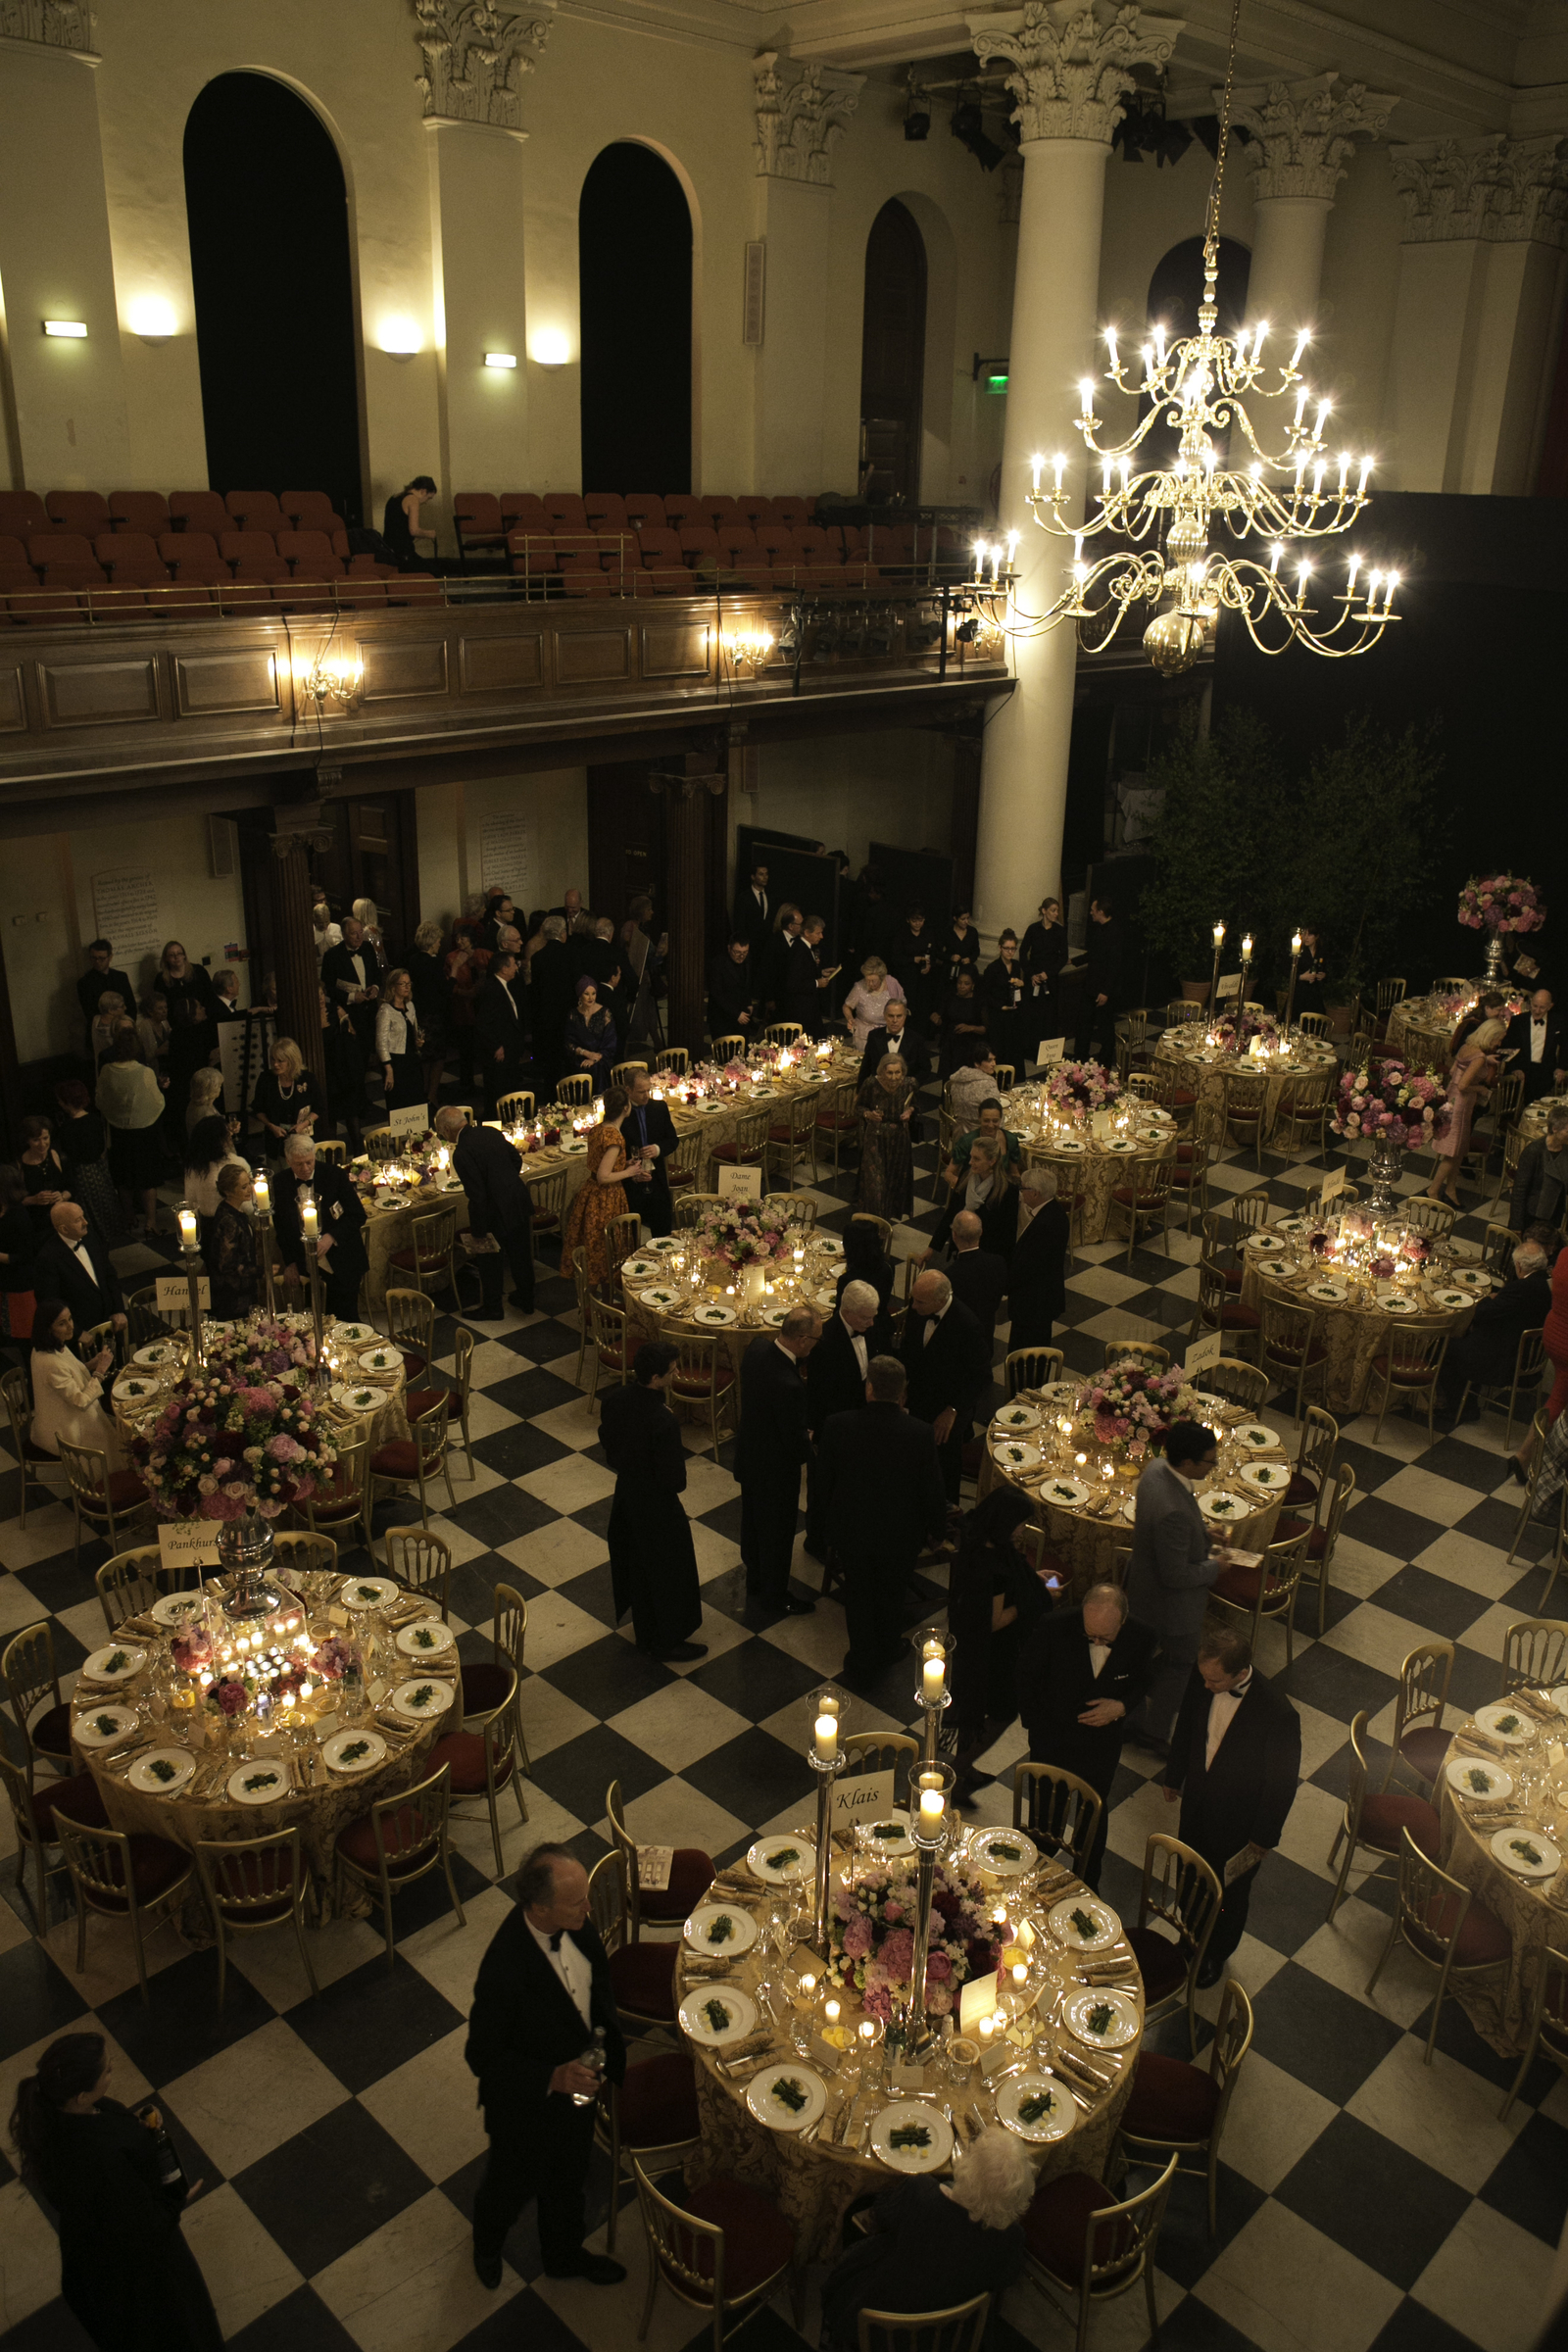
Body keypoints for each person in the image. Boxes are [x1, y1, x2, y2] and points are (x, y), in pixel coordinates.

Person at [466, 1844, 628, 2291]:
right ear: (539, 1907)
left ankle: (562, 2256)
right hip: (525, 2107)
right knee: (509, 2186)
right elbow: (481, 2056)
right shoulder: (504, 1969)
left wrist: (600, 2051)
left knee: (568, 2179)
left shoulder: (575, 1921)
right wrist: (552, 2077)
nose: (589, 1909)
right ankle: (486, 2244)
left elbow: (595, 1988)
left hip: (578, 2089)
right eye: (577, 1903)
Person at [8, 2030, 221, 2352]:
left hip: (95, 2251)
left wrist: (134, 2130)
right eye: (107, 2069)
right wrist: (176, 2203)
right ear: (81, 2095)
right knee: (176, 2329)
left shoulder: (59, 2118)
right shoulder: (99, 2161)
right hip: (137, 2268)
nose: (113, 2070)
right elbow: (142, 2226)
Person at [1162, 1621, 1301, 1983]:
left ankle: (1215, 1953)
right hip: (1198, 1803)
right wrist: (1174, 1775)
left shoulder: (1278, 1713)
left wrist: (1263, 1836)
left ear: (1241, 1672)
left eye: (1215, 1682)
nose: (1206, 1686)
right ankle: (1189, 1937)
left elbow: (1282, 1783)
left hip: (1239, 1822)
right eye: (1204, 1678)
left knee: (1229, 1893)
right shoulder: (1204, 1676)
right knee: (1191, 1874)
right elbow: (1188, 1728)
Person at [819, 2127, 1031, 2348]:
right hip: (954, 2335)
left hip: (881, 2324)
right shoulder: (1012, 2239)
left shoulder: (921, 2194)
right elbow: (1005, 2277)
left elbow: (882, 2211)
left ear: (968, 2165)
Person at [815, 1353, 947, 1685]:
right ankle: (888, 1647)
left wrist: (821, 1528)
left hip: (851, 1530)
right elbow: (931, 1488)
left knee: (858, 1595)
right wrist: (937, 1531)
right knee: (891, 1593)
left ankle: (860, 1656)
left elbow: (822, 1484)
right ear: (903, 1394)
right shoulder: (919, 1433)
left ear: (869, 1388)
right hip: (900, 1534)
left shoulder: (837, 1425)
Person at [1018, 1581, 1156, 1886]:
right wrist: (1038, 1728)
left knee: (1093, 1813)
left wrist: (1121, 1706)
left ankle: (1086, 1880)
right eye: (1090, 1634)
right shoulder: (1053, 1626)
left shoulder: (1142, 1636)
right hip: (1052, 1741)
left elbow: (1146, 1678)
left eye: (1104, 1637)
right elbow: (1026, 1678)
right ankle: (1034, 1872)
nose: (1096, 1640)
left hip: (1101, 1746)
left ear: (1123, 1620)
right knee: (1045, 1813)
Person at [1124, 1419, 1228, 1749]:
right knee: (1180, 1664)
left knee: (1137, 1659)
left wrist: (1201, 1533)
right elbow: (1176, 1575)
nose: (1214, 1467)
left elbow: (1172, 1526)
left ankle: (1131, 1717)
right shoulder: (1173, 1512)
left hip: (1140, 1586)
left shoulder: (1156, 1469)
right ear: (1188, 1462)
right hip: (1170, 1606)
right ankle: (1152, 1732)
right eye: (1210, 1461)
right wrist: (1215, 1566)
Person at [600, 1341, 706, 1659]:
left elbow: (608, 1443)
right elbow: (676, 1481)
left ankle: (645, 1630)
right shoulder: (663, 1421)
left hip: (628, 1496)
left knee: (638, 1564)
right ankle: (667, 1639)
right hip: (658, 1506)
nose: (676, 1375)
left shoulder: (615, 1400)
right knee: (669, 1571)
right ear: (657, 1378)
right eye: (673, 1371)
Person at [948, 1486, 1051, 1800]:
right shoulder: (993, 1569)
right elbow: (993, 1621)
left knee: (985, 1711)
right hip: (994, 1655)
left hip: (977, 1648)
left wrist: (1034, 1582)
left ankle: (962, 1767)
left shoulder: (979, 1542)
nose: (1023, 1530)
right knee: (1003, 1712)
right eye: (1020, 1523)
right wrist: (1030, 1600)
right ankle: (958, 1769)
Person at [737, 1304, 821, 1616]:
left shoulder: (757, 1348)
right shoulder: (788, 1385)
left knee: (753, 1523)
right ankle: (775, 1596)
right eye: (815, 1339)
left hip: (749, 1458)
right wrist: (809, 1442)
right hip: (775, 1471)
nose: (816, 1345)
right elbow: (793, 1439)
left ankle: (755, 1578)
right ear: (801, 1339)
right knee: (777, 1533)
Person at [805, 1278, 893, 1557]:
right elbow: (820, 1398)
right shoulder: (823, 1342)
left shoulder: (872, 1326)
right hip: (836, 1427)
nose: (872, 1322)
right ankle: (817, 1541)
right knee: (824, 1490)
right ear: (849, 1312)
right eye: (866, 1317)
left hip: (867, 1421)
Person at [1440, 1234, 1553, 1422]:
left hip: (1507, 1359)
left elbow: (1483, 1313)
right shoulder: (1545, 1285)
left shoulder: (1521, 1289)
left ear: (1518, 1266)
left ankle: (1463, 1408)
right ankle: (1467, 1393)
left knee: (1444, 1346)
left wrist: (1485, 1299)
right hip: (1531, 1355)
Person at [437, 1104, 535, 1316]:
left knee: (489, 1260)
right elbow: (516, 1159)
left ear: (446, 1129)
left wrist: (478, 1229)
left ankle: (492, 1307)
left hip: (492, 1211)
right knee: (521, 1255)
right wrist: (506, 1182)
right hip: (517, 1199)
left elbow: (477, 1194)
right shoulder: (490, 1131)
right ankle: (526, 1300)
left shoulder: (462, 1152)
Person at [901, 1268, 990, 1502]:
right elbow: (910, 1351)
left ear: (940, 1300)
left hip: (950, 1408)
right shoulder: (918, 1310)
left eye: (920, 1301)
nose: (913, 1306)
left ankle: (945, 1518)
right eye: (913, 1298)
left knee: (944, 1469)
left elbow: (981, 1377)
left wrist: (952, 1410)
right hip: (919, 1398)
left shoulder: (968, 1325)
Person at [560, 1085, 649, 1284]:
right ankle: (603, 1294)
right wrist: (630, 1171)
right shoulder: (614, 1137)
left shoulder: (598, 1130)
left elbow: (603, 1163)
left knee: (592, 1245)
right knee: (605, 1247)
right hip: (606, 1198)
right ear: (626, 1108)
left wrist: (623, 1164)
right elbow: (603, 1176)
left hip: (591, 1193)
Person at [273, 1133, 368, 1319]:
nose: (305, 1168)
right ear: (288, 1160)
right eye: (299, 1164)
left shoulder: (334, 1175)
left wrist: (330, 1237)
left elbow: (357, 1216)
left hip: (343, 1262)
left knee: (346, 1319)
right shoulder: (279, 1183)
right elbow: (282, 1229)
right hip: (307, 1267)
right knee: (316, 1319)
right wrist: (290, 1261)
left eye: (309, 1162)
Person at [29, 1298, 123, 1464]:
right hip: (62, 1430)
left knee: (114, 1428)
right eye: (62, 1323)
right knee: (113, 1441)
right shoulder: (51, 1362)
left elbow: (68, 1376)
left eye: (70, 1319)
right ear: (48, 1329)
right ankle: (105, 1484)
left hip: (60, 1412)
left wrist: (91, 1364)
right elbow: (80, 1402)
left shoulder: (49, 1347)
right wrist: (100, 1371)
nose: (71, 1326)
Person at [1426, 1014, 1506, 1205]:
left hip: (1450, 1099)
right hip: (1461, 1105)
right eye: (1499, 1039)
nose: (1499, 1043)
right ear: (1491, 1036)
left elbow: (1454, 1072)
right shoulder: (1479, 1057)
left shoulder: (1466, 1048)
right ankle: (1434, 1189)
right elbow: (1463, 1086)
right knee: (1453, 1150)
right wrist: (1481, 1088)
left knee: (1459, 1149)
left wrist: (1485, 1061)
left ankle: (1451, 1189)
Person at [96, 1027, 167, 1236]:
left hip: (119, 1132)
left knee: (123, 1176)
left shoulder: (107, 1071)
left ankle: (129, 1217)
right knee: (147, 1178)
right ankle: (151, 1221)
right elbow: (157, 1102)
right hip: (144, 1132)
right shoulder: (145, 1072)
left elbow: (100, 1100)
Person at [1515, 1231, 1568, 1480]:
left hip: (1555, 1334)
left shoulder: (1565, 1255)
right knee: (1558, 1400)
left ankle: (1524, 1456)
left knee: (1557, 1397)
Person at [37, 1202, 125, 1341]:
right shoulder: (48, 1258)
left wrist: (118, 1310)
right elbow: (51, 1304)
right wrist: (76, 1333)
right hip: (83, 1333)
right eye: (78, 1220)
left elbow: (110, 1275)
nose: (85, 1222)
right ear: (64, 1229)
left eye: (83, 1216)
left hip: (111, 1323)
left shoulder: (91, 1237)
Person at [52, 1079, 122, 1244]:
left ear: (66, 1102)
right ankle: (109, 1232)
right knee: (103, 1201)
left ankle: (93, 1237)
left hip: (81, 1171)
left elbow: (69, 1153)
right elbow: (100, 1147)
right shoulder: (95, 1119)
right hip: (99, 1168)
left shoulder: (68, 1128)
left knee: (87, 1204)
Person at [156, 941, 218, 1122]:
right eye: (171, 954)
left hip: (202, 1027)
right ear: (166, 959)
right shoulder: (162, 979)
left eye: (179, 953)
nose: (176, 957)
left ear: (184, 955)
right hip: (180, 1029)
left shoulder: (198, 972)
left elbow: (209, 999)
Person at [1006, 1171, 1069, 1348]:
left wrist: (1004, 1284)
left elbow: (1028, 1266)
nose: (1021, 1192)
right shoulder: (1055, 1211)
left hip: (1034, 1303)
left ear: (1035, 1193)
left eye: (1023, 1189)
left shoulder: (1046, 1224)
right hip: (1040, 1299)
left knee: (1027, 1351)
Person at [854, 1053, 916, 1219]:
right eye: (890, 1073)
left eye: (898, 1073)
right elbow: (858, 1107)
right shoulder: (871, 1084)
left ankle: (888, 1217)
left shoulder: (909, 1084)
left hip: (899, 1140)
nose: (894, 1077)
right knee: (876, 1184)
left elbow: (915, 1105)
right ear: (882, 1072)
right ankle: (875, 1220)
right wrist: (869, 1115)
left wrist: (909, 1111)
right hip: (876, 1138)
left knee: (894, 1181)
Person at [622, 1068, 680, 1236]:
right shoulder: (621, 1114)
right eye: (641, 1092)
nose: (646, 1095)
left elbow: (673, 1140)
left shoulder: (659, 1108)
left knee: (663, 1230)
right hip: (631, 1184)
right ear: (628, 1090)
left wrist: (657, 1149)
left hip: (657, 1179)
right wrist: (631, 1171)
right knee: (632, 1235)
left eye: (648, 1090)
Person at [938, 1207, 1008, 1343]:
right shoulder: (998, 1263)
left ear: (954, 1236)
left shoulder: (950, 1275)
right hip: (986, 1334)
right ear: (981, 1232)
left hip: (960, 1340)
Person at [321, 915, 385, 1060]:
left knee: (369, 1054)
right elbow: (328, 988)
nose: (358, 936)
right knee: (352, 1058)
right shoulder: (332, 956)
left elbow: (376, 974)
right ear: (343, 935)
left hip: (369, 1012)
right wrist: (351, 997)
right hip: (348, 1014)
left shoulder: (368, 948)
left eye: (360, 932)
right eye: (353, 933)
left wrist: (375, 987)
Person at [251, 1036, 322, 1154]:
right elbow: (258, 1109)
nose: (275, 1064)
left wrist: (303, 1125)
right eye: (273, 1059)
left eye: (280, 1061)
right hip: (275, 1139)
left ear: (292, 1060)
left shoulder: (307, 1078)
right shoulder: (266, 1079)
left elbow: (319, 1107)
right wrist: (271, 1126)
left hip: (304, 1136)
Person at [206, 1162, 259, 1320]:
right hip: (232, 1295)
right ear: (228, 1191)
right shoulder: (228, 1220)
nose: (249, 1188)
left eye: (248, 1183)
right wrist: (260, 1271)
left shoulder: (236, 1210)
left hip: (243, 1288)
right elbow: (227, 1265)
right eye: (243, 1187)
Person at [1075, 897, 1121, 1067]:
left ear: (1101, 912)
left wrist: (1106, 992)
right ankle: (1080, 1056)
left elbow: (1114, 966)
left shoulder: (1114, 933)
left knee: (1105, 1026)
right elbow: (1092, 954)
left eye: (1093, 910)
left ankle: (1106, 1060)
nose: (1091, 912)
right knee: (1084, 1023)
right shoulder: (1099, 930)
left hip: (1102, 990)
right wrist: (1073, 961)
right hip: (1091, 986)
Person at [182, 1114, 248, 1230]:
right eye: (227, 1133)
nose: (231, 1134)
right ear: (220, 1140)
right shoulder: (235, 1163)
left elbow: (190, 1203)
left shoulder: (194, 1167)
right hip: (234, 1224)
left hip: (206, 1226)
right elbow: (248, 1202)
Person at [1510, 1106, 1568, 1237]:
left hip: (1554, 1214)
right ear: (1555, 1129)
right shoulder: (1534, 1152)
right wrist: (1516, 1225)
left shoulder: (1566, 1150)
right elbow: (1519, 1191)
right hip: (1531, 1215)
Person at [375, 967, 425, 1114]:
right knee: (400, 1105)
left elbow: (413, 1030)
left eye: (408, 983)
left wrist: (418, 1042)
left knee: (416, 1102)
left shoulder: (410, 1005)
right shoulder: (386, 1010)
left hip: (412, 1060)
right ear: (393, 986)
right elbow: (381, 1043)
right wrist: (389, 1070)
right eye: (402, 984)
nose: (406, 987)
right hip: (396, 1063)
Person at [0, 1163, 38, 1355]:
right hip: (4, 1281)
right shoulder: (3, 1209)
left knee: (24, 1333)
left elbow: (26, 1256)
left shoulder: (19, 1216)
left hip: (19, 1283)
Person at [1505, 986, 1565, 1108]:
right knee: (1513, 1108)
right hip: (1520, 1070)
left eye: (1542, 1007)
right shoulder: (1518, 1021)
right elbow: (1508, 1047)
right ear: (1531, 1002)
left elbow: (1566, 1046)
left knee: (1537, 1109)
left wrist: (1561, 1067)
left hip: (1544, 1072)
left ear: (1550, 1006)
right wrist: (1514, 1068)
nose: (1537, 1011)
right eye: (1535, 1006)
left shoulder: (1558, 1022)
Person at [857, 993, 930, 1089]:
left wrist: (911, 1086)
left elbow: (926, 1068)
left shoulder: (916, 1039)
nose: (895, 1020)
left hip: (906, 1093)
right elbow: (865, 1068)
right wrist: (859, 1092)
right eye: (891, 1016)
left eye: (899, 1016)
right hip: (878, 1092)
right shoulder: (874, 1036)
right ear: (884, 1016)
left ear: (905, 1017)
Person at [983, 928, 1031, 1071]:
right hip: (999, 1015)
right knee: (1000, 1048)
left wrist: (1022, 984)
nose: (1010, 952)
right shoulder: (992, 968)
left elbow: (1023, 988)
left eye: (1013, 949)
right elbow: (984, 994)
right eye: (1007, 949)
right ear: (1000, 948)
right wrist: (1000, 1006)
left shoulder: (1016, 966)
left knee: (1014, 1047)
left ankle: (1014, 1078)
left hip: (1014, 1014)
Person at [75, 941, 136, 1053]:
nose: (97, 962)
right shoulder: (84, 983)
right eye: (94, 958)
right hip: (101, 1033)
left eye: (101, 958)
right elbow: (90, 1012)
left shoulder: (121, 977)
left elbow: (131, 1005)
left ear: (110, 957)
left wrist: (127, 1027)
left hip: (124, 1031)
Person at [1021, 896, 1069, 1030]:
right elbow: (1023, 952)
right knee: (1031, 1013)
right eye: (1053, 910)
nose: (1056, 914)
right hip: (1033, 976)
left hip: (1050, 978)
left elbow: (1064, 957)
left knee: (1048, 1015)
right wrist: (1031, 974)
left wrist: (1049, 973)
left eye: (1057, 911)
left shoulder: (1060, 931)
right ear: (1044, 911)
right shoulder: (1033, 929)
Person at [934, 966, 990, 1079]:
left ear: (973, 985)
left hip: (969, 1046)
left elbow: (986, 1029)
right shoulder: (950, 997)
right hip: (950, 1043)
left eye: (966, 983)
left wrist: (971, 1028)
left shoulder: (979, 1002)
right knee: (948, 1079)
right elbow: (942, 1020)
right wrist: (936, 1019)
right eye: (959, 983)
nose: (962, 986)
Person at [841, 956, 905, 1052]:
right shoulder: (859, 987)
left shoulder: (892, 984)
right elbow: (847, 1006)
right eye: (867, 980)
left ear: (881, 977)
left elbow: (902, 1006)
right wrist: (850, 1018)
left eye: (873, 981)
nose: (870, 984)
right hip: (864, 1037)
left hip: (887, 1033)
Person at [564, 977, 616, 1092]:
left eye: (593, 993)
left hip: (601, 1059)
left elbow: (610, 1043)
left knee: (598, 1068)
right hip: (580, 1059)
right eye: (586, 994)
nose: (591, 997)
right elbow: (568, 1043)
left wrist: (594, 1059)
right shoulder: (573, 1014)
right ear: (580, 995)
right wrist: (586, 1053)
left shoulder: (605, 1013)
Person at [836, 1218, 897, 1318]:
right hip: (882, 1322)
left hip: (860, 1328)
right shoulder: (888, 1266)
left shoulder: (847, 1280)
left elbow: (839, 1316)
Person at [950, 1099, 1024, 1176]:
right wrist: (963, 1186)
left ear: (1001, 1119)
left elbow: (1014, 1173)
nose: (990, 1125)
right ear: (979, 1118)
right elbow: (949, 1173)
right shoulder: (967, 1141)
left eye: (995, 1121)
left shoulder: (1010, 1139)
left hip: (1002, 1186)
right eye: (986, 1121)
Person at [383, 472, 440, 570]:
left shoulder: (394, 497)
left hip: (387, 548)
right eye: (428, 498)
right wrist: (430, 534)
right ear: (423, 491)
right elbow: (414, 530)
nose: (426, 502)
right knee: (433, 572)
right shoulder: (413, 500)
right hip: (403, 552)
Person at [20, 1115, 70, 1223]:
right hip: (36, 1220)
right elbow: (14, 1201)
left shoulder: (57, 1154)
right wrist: (33, 1200)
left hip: (62, 1214)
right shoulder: (18, 1164)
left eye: (45, 1138)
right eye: (36, 1140)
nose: (42, 1144)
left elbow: (71, 1185)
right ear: (27, 1140)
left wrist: (62, 1196)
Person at [708, 934, 758, 1039]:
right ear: (729, 948)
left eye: (745, 952)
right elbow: (717, 994)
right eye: (737, 952)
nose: (741, 956)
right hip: (722, 1018)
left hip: (741, 1014)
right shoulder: (718, 964)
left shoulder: (747, 960)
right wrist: (736, 1014)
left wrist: (748, 1003)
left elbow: (746, 984)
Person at [948, 1044, 1004, 1130]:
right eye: (989, 1061)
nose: (994, 1064)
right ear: (977, 1063)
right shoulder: (988, 1084)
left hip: (958, 1131)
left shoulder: (957, 1079)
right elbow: (996, 1115)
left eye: (994, 1060)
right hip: (983, 1134)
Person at [733, 858, 771, 953]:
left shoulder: (771, 896)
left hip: (766, 946)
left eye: (766, 874)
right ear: (753, 877)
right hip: (749, 946)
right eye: (761, 874)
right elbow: (740, 923)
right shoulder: (744, 897)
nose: (765, 877)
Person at [1293, 924, 1329, 1023]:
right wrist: (1301, 977)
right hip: (1300, 992)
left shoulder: (1321, 951)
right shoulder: (1298, 951)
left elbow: (1327, 969)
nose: (1306, 937)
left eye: (1309, 935)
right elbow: (1287, 971)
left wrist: (1323, 975)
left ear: (1316, 936)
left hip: (1315, 992)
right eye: (1304, 934)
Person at [89, 990, 128, 1068]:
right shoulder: (117, 1029)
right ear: (111, 1011)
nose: (125, 1008)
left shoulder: (95, 1020)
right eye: (122, 1006)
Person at [944, 906, 982, 986]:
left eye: (968, 918)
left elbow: (976, 951)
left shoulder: (972, 932)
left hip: (967, 970)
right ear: (955, 918)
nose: (966, 921)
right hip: (950, 969)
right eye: (963, 919)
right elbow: (938, 952)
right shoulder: (947, 932)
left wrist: (970, 959)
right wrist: (951, 957)